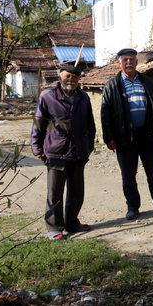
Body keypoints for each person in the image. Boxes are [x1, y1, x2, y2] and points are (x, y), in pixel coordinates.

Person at [101, 48, 153, 220]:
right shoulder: (112, 85)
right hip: (124, 137)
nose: (128, 62)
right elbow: (105, 113)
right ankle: (133, 208)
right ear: (119, 63)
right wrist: (109, 137)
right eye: (125, 59)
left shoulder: (147, 82)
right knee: (128, 175)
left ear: (137, 62)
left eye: (132, 59)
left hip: (147, 135)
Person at [31, 63, 95, 240]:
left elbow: (90, 125)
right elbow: (38, 124)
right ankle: (54, 228)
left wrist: (89, 146)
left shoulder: (83, 98)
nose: (71, 80)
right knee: (55, 193)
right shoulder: (48, 96)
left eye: (75, 77)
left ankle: (72, 223)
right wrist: (36, 148)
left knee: (77, 191)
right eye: (68, 76)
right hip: (56, 152)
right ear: (60, 76)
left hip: (79, 152)